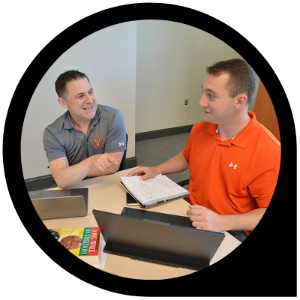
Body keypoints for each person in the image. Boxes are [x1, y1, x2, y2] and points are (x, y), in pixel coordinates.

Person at [128, 59, 281, 241]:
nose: (201, 102)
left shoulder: (269, 151)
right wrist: (157, 169)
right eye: (203, 92)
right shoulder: (201, 128)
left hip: (230, 229)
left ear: (239, 101)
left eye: (211, 95)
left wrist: (222, 222)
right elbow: (187, 157)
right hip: (190, 213)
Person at [43, 70, 127, 189]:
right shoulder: (52, 133)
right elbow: (61, 180)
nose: (90, 100)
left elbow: (113, 165)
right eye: (81, 95)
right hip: (73, 188)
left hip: (106, 183)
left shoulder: (113, 117)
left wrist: (72, 173)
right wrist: (89, 162)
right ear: (63, 102)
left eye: (90, 92)